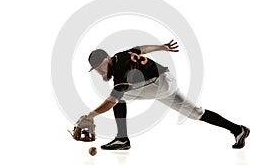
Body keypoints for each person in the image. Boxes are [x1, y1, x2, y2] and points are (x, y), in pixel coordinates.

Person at [86, 40, 250, 150]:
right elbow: (142, 49)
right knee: (196, 113)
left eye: (101, 65)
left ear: (107, 58)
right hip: (163, 83)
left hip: (159, 83)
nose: (100, 70)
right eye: (96, 69)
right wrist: (162, 47)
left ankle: (122, 139)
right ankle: (238, 130)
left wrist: (90, 115)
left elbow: (112, 100)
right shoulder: (122, 55)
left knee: (118, 98)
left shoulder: (120, 68)